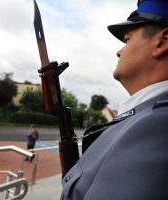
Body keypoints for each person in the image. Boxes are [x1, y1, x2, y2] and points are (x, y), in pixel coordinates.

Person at [61, 0, 168, 199]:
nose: (119, 51)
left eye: (127, 40)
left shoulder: (157, 127)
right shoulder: (145, 116)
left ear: (162, 41)